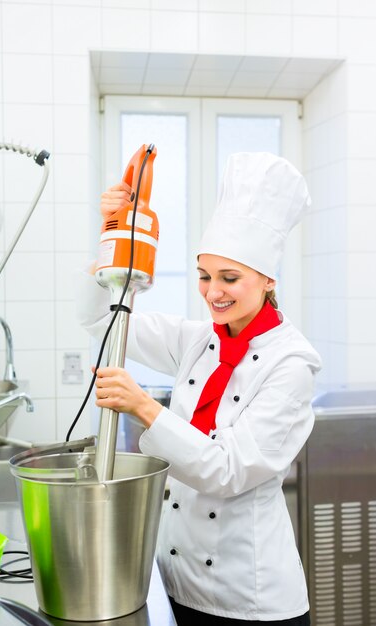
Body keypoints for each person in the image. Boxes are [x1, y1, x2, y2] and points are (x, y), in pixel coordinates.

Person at [76, 152, 322, 625]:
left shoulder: (291, 364)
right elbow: (97, 318)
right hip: (174, 582)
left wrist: (144, 406)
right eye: (204, 276)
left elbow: (227, 470)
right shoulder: (197, 339)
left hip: (249, 599)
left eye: (230, 278)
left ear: (268, 280)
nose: (213, 293)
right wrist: (114, 235)